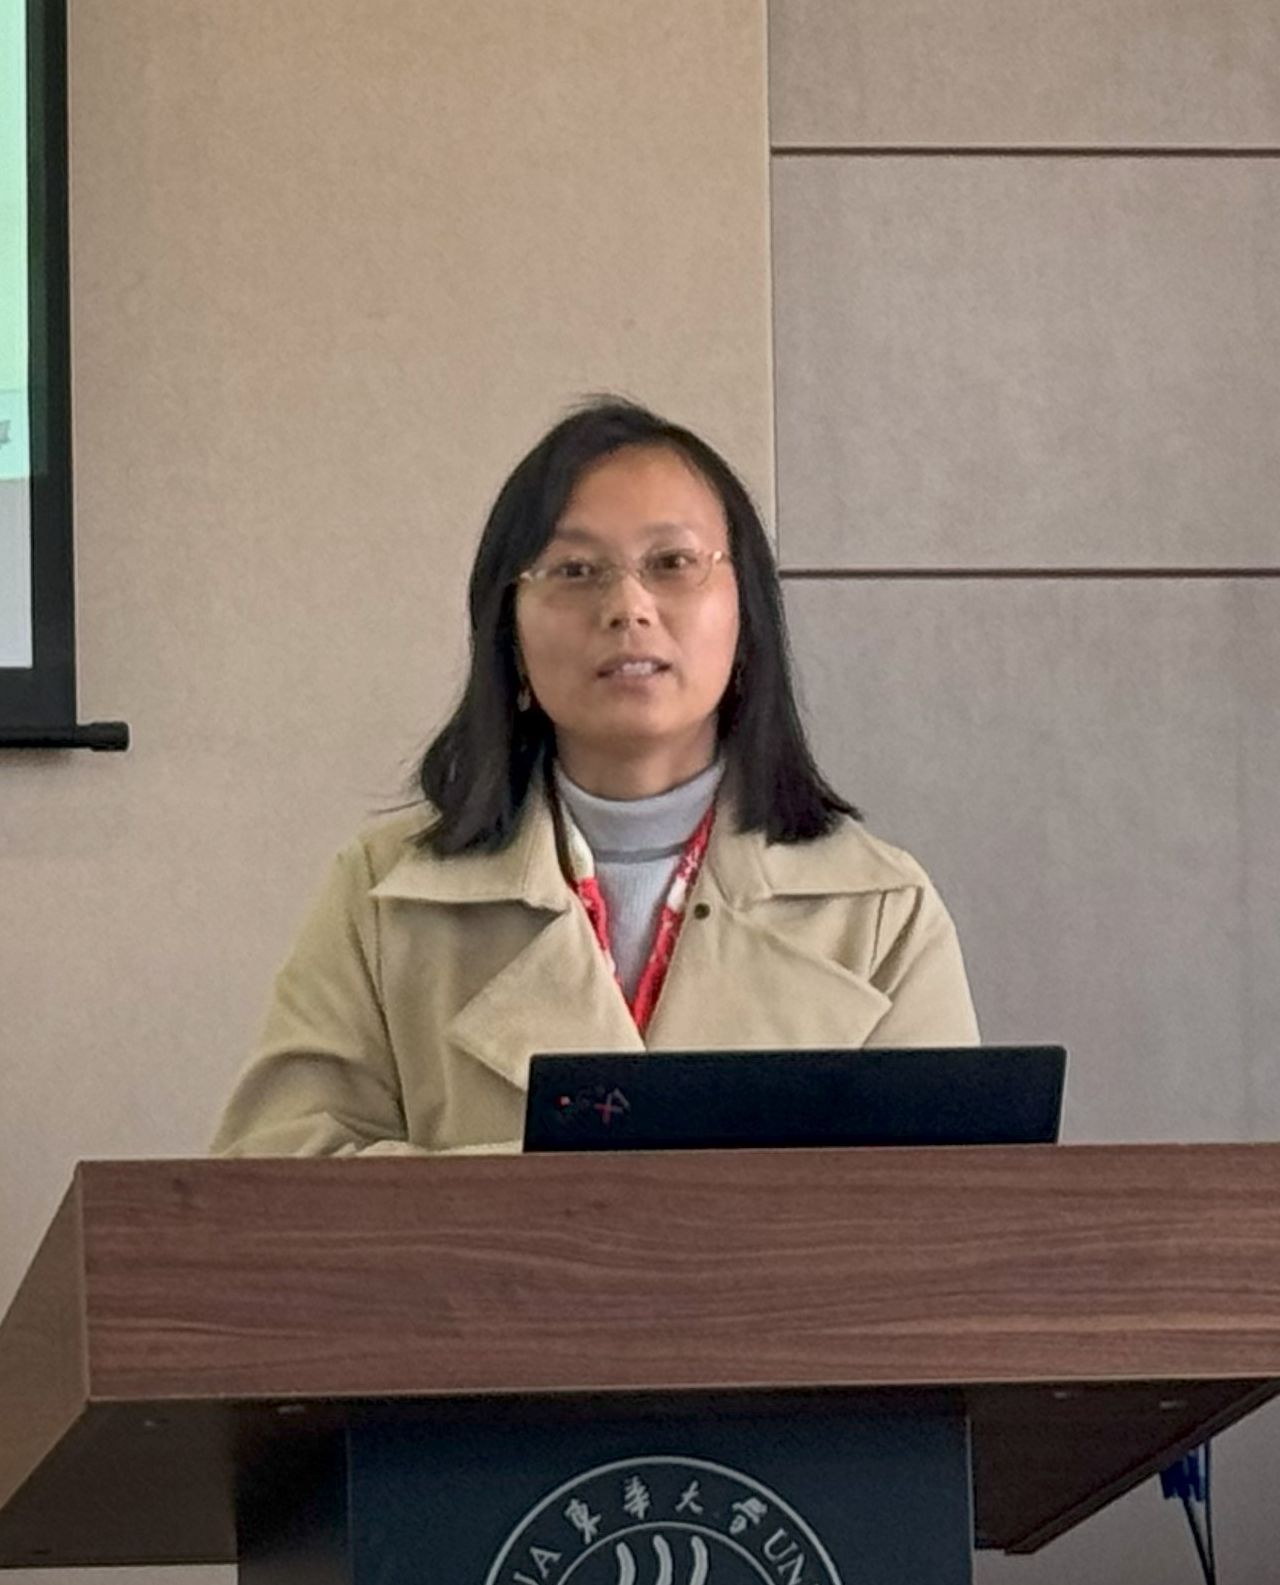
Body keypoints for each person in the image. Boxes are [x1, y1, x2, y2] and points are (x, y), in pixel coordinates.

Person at [211, 397, 974, 1156]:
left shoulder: (879, 912)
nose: (627, 607)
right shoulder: (383, 898)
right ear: (508, 631)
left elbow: (942, 1210)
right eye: (575, 570)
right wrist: (573, 1205)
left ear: (747, 617)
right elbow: (271, 1184)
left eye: (672, 564)